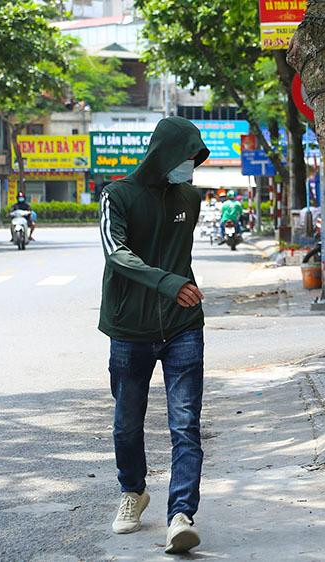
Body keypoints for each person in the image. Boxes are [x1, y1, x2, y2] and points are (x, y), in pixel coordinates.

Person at [99, 116, 208, 555]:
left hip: (183, 325)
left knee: (185, 425)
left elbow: (179, 253)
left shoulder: (191, 198)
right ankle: (133, 492)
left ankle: (180, 515)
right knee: (127, 424)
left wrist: (180, 291)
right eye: (186, 158)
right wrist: (167, 283)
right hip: (130, 330)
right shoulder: (117, 195)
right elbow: (116, 252)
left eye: (195, 160)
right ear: (163, 154)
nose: (191, 167)